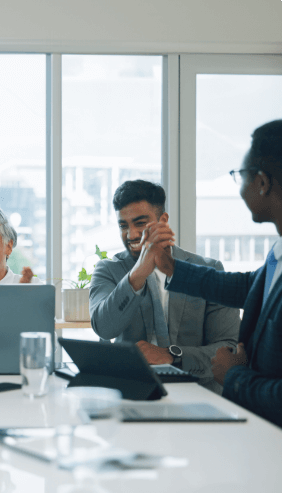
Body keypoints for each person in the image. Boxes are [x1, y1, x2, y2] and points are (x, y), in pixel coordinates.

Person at [151, 120, 282, 427]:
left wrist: (234, 375)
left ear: (262, 182)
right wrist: (171, 267)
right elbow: (251, 286)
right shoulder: (278, 253)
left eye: (241, 176)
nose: (240, 186)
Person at [89, 179, 240, 393]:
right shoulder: (108, 270)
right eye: (123, 225)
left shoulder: (209, 270)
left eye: (140, 223)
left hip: (198, 392)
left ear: (163, 220)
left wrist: (172, 355)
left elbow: (229, 349)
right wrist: (139, 271)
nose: (131, 235)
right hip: (132, 390)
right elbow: (104, 327)